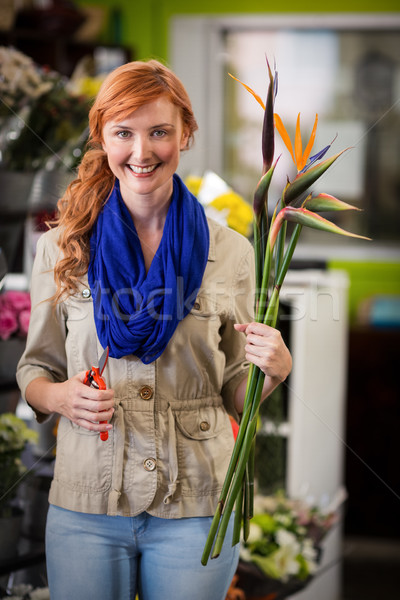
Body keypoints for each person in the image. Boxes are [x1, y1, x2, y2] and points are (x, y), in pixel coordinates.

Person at [17, 59, 292, 600]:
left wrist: (274, 372)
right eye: (124, 133)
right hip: (87, 499)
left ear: (184, 133)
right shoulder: (60, 247)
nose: (141, 153)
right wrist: (60, 396)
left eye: (159, 132)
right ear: (102, 137)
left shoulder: (231, 250)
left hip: (197, 501)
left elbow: (236, 388)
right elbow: (35, 368)